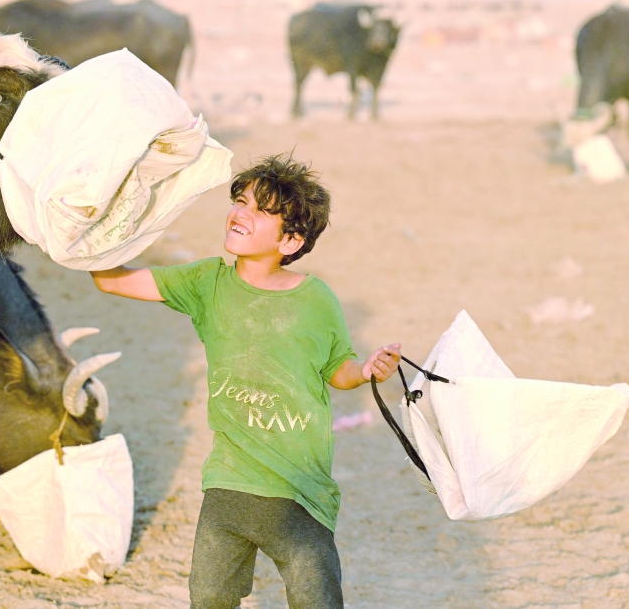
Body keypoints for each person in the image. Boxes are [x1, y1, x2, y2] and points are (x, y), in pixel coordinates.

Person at [91, 154, 401, 609]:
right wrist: (94, 225)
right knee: (208, 597)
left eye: (261, 210)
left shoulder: (316, 299)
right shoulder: (205, 283)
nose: (240, 213)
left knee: (316, 599)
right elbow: (111, 281)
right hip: (229, 481)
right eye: (241, 202)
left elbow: (338, 367)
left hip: (298, 487)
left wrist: (367, 370)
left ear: (291, 240)